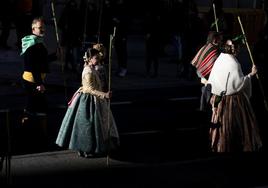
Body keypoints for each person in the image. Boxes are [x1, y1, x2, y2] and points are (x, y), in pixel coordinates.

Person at [56, 48, 120, 158]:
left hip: (95, 98)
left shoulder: (92, 68)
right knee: (87, 126)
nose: (98, 60)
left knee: (96, 126)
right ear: (89, 59)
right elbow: (90, 90)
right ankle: (85, 148)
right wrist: (104, 94)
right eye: (96, 58)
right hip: (89, 99)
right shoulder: (88, 71)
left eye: (98, 58)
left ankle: (92, 147)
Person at [207, 39, 262, 152]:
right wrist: (251, 74)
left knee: (221, 124)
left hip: (218, 97)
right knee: (237, 124)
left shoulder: (220, 59)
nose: (238, 51)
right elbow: (238, 84)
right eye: (237, 48)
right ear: (234, 49)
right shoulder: (234, 62)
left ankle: (219, 144)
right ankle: (237, 144)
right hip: (232, 101)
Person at [20, 17, 56, 149]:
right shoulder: (33, 43)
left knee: (32, 108)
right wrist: (39, 84)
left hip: (34, 80)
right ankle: (41, 137)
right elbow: (33, 65)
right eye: (40, 27)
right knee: (40, 109)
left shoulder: (38, 42)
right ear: (33, 29)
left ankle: (31, 134)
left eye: (43, 27)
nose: (43, 29)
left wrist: (55, 56)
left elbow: (42, 60)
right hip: (32, 81)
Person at [191, 31, 223, 112]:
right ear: (215, 40)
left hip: (203, 75)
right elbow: (213, 63)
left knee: (204, 92)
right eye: (220, 39)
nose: (221, 41)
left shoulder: (206, 46)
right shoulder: (213, 50)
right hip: (209, 77)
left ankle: (203, 109)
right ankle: (206, 111)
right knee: (208, 93)